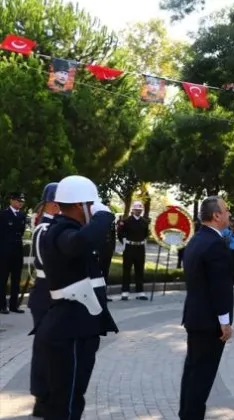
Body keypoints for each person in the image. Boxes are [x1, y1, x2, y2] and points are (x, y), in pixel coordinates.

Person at [36, 175, 118, 420]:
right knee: (66, 404)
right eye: (90, 204)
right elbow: (79, 243)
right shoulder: (60, 231)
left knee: (73, 399)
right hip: (68, 330)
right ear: (79, 205)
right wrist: (104, 216)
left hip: (79, 327)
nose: (93, 210)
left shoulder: (70, 229)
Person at [179, 196, 234, 420]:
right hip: (209, 323)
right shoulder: (215, 244)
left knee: (192, 374)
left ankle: (186, 415)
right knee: (201, 379)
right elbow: (219, 288)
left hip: (195, 318)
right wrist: (225, 322)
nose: (229, 214)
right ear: (216, 215)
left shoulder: (196, 240)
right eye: (226, 210)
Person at [26, 183, 58, 417]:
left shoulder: (53, 226)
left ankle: (47, 394)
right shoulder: (45, 228)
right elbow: (47, 263)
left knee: (51, 347)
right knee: (44, 348)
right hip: (46, 291)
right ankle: (41, 398)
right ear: (52, 203)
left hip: (51, 291)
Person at [117, 201, 150, 300]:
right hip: (129, 248)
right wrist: (124, 242)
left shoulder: (144, 222)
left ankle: (140, 292)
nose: (138, 211)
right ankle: (125, 292)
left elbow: (145, 235)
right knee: (127, 270)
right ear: (133, 210)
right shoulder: (126, 221)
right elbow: (120, 233)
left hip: (140, 248)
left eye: (140, 210)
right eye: (136, 210)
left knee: (139, 270)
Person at [0, 192, 27, 314]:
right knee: (3, 278)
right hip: (5, 250)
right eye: (17, 201)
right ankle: (2, 305)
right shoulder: (3, 215)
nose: (20, 203)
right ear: (11, 201)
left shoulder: (22, 215)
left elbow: (20, 232)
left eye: (21, 201)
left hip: (17, 250)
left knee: (16, 279)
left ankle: (13, 305)